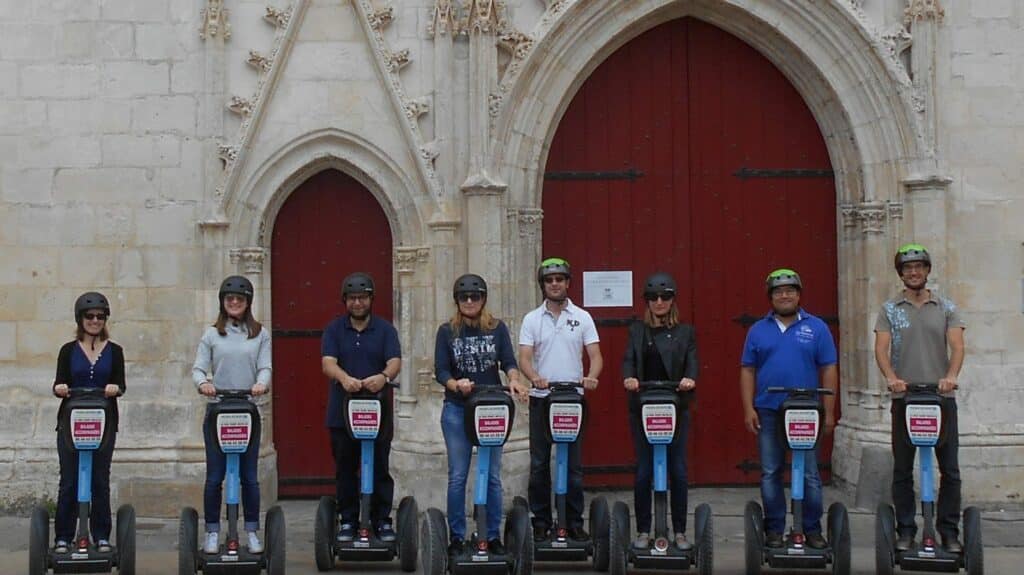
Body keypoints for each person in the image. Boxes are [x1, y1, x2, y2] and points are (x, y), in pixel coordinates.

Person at [874, 243, 966, 553]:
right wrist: (891, 378)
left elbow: (957, 346)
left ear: (927, 270)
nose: (914, 272)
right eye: (908, 268)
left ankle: (949, 532)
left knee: (950, 469)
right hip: (905, 398)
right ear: (901, 273)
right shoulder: (889, 309)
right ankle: (905, 531)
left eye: (919, 267)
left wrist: (951, 377)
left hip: (941, 398)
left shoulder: (946, 307)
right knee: (902, 469)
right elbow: (881, 349)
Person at [739, 268, 837, 550]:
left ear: (799, 295)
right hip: (769, 410)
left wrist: (829, 412)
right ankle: (774, 529)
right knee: (771, 471)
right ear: (770, 297)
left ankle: (811, 528)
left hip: (806, 411)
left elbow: (829, 368)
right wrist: (749, 408)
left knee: (808, 472)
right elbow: (747, 370)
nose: (785, 295)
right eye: (779, 291)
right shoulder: (758, 330)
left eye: (790, 290)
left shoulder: (816, 327)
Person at [435, 274, 529, 555]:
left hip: (490, 409)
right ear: (457, 301)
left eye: (475, 297)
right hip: (457, 409)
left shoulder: (497, 328)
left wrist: (513, 379)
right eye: (464, 298)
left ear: (483, 299)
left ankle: (492, 535)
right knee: (458, 476)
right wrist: (456, 384)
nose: (469, 302)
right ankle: (456, 537)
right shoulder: (446, 331)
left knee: (492, 476)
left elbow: (509, 362)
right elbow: (441, 371)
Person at [518, 257, 603, 543]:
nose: (555, 284)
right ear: (543, 285)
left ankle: (573, 522)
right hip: (543, 399)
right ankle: (541, 522)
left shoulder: (583, 317)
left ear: (567, 283)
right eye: (549, 280)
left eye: (560, 279)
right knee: (540, 463)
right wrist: (534, 377)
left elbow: (595, 355)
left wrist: (591, 376)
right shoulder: (532, 319)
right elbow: (525, 357)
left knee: (573, 467)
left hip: (572, 400)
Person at [192, 275, 272, 554]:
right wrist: (204, 384)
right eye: (229, 299)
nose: (234, 302)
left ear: (247, 302)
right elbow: (199, 369)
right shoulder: (212, 334)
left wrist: (261, 383)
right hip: (218, 409)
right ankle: (213, 531)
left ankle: (250, 530)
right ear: (223, 302)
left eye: (239, 298)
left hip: (247, 409)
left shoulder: (260, 334)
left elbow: (265, 367)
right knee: (215, 476)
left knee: (249, 476)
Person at [321, 272, 401, 543]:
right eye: (353, 298)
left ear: (371, 299)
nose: (358, 303)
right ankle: (348, 520)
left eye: (363, 297)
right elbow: (328, 363)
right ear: (345, 301)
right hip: (342, 412)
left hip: (377, 412)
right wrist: (344, 379)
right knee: (346, 468)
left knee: (379, 466)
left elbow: (394, 361)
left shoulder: (385, 329)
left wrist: (384, 377)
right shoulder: (334, 329)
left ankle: (381, 521)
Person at [621, 272, 698, 551]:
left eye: (665, 296)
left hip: (675, 407)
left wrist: (690, 378)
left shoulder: (685, 332)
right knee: (644, 471)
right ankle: (643, 529)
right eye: (653, 297)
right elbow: (629, 359)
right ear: (647, 301)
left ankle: (679, 531)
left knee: (677, 470)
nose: (659, 302)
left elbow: (692, 362)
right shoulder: (637, 331)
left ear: (672, 299)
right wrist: (629, 378)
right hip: (644, 407)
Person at [52, 292, 126, 554]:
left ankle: (101, 536)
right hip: (71, 422)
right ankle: (63, 536)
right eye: (89, 316)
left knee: (99, 480)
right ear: (80, 318)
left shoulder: (115, 351)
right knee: (70, 480)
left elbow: (122, 385)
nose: (95, 320)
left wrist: (114, 388)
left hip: (103, 422)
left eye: (100, 316)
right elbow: (58, 382)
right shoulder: (67, 350)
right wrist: (60, 387)